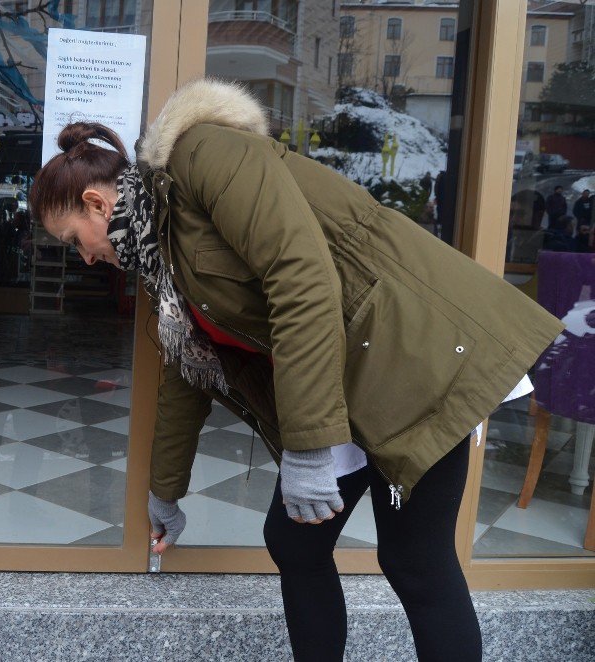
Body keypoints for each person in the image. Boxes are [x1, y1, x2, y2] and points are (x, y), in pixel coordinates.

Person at [29, 79, 563, 661]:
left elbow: (302, 279)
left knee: (415, 561)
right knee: (296, 544)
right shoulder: (162, 259)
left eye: (71, 240)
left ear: (96, 204)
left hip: (414, 358)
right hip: (346, 381)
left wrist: (309, 451)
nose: (83, 257)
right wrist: (167, 491)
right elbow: (190, 375)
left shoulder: (204, 154)